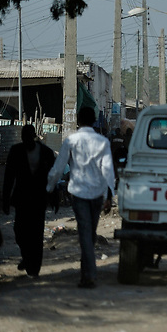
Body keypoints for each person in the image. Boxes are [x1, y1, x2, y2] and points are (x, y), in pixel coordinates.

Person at [46, 106, 116, 288]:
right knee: (89, 232)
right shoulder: (102, 141)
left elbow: (58, 168)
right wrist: (109, 196)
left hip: (79, 193)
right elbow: (108, 171)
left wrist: (50, 187)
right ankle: (88, 273)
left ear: (78, 121)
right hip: (97, 194)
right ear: (94, 121)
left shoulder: (71, 140)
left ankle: (88, 274)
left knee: (86, 233)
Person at [2, 125, 56, 277]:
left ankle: (34, 268)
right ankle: (27, 257)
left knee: (37, 234)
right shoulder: (16, 151)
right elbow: (9, 177)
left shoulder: (46, 153)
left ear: (33, 137)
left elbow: (53, 178)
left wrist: (54, 198)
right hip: (22, 199)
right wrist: (5, 200)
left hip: (39, 200)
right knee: (19, 231)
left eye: (28, 137)